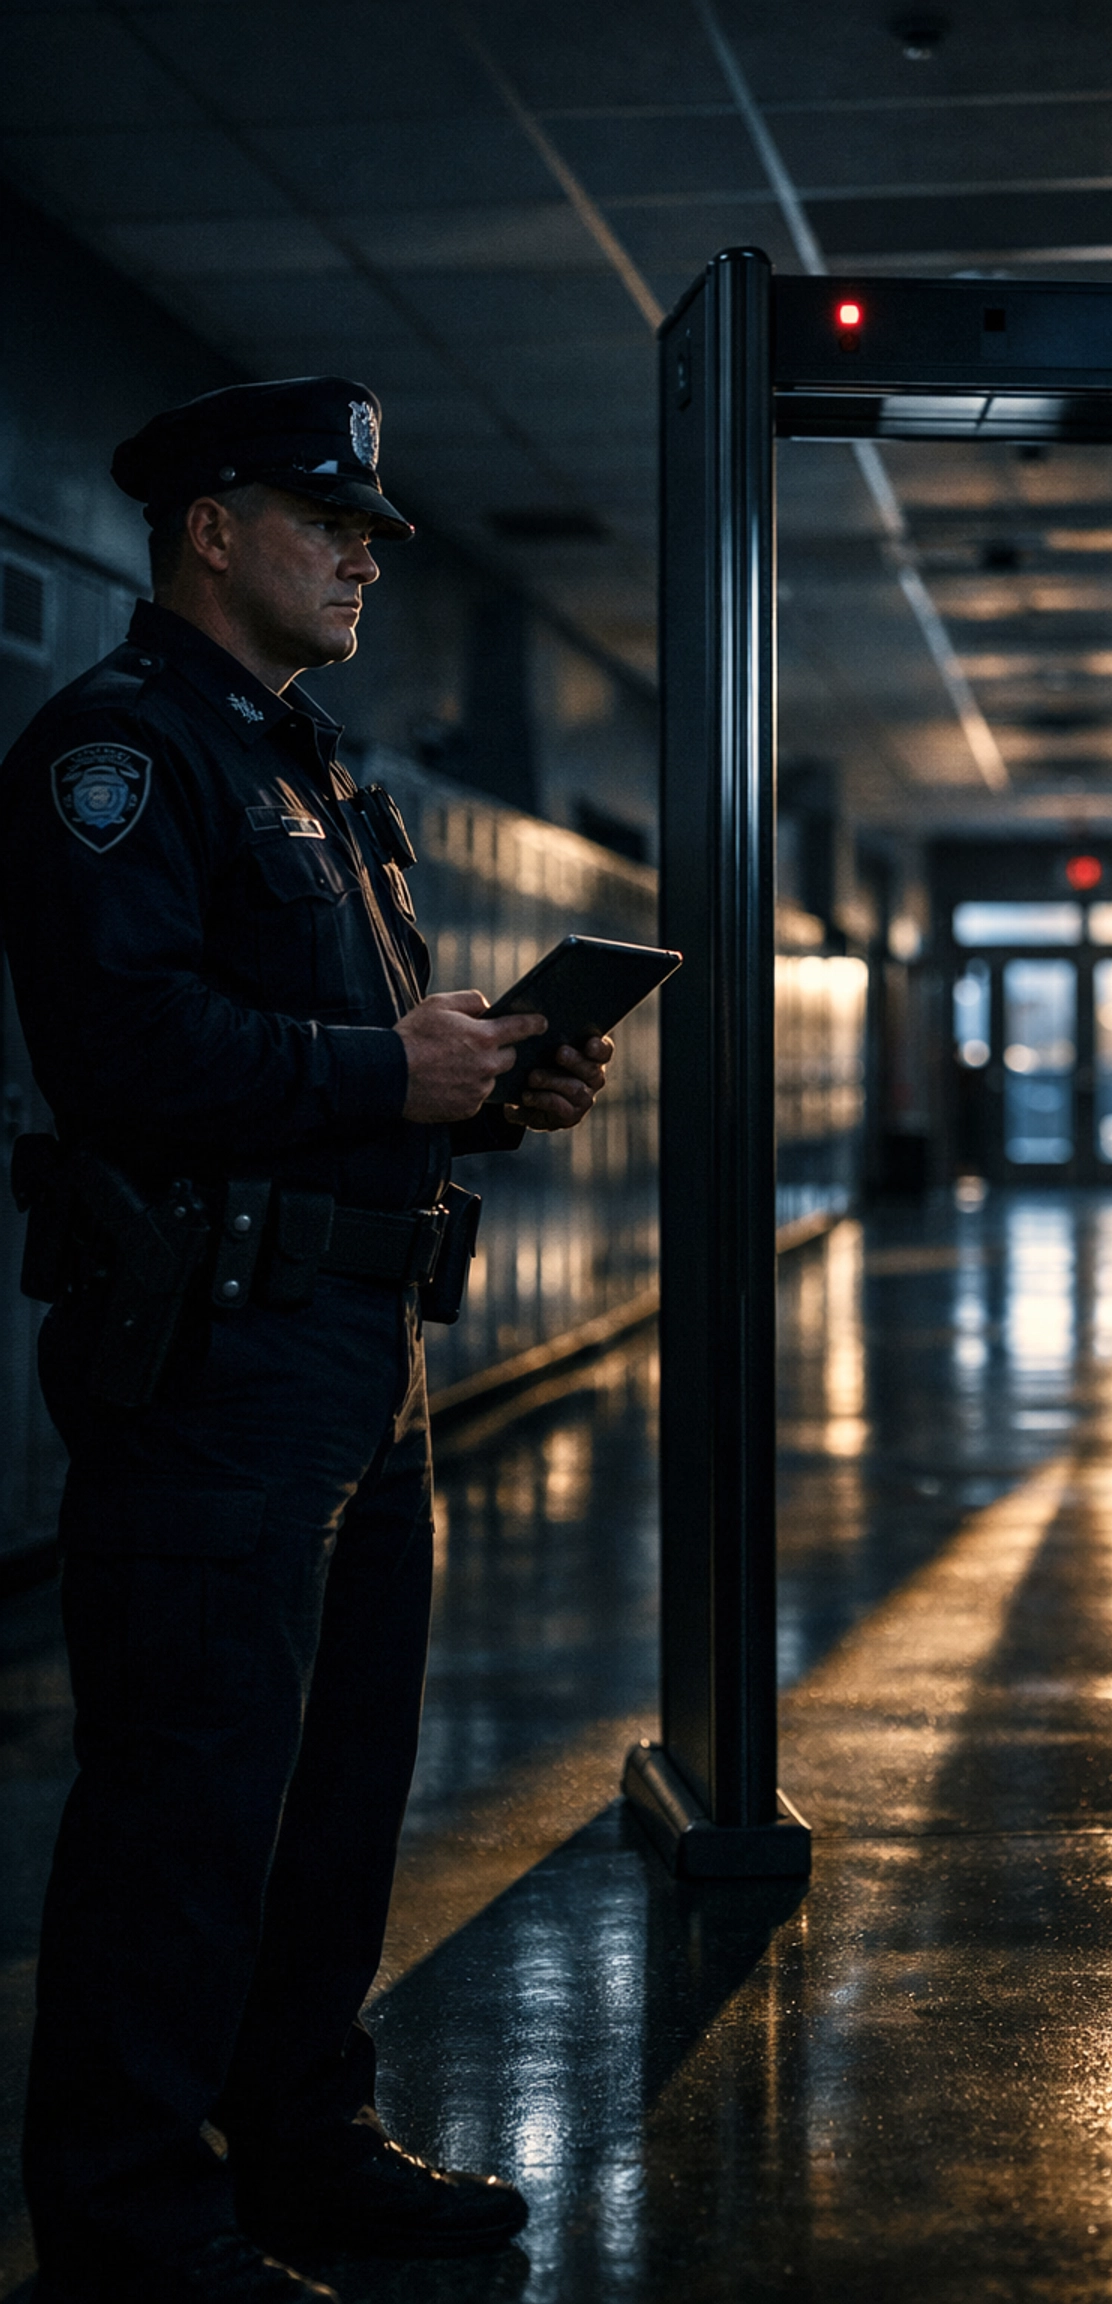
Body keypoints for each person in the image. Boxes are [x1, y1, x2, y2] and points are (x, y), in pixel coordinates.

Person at [0, 378, 614, 2303]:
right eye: (324, 519)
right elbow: (125, 1049)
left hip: (362, 1348)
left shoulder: (321, 773)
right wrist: (386, 1064)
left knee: (338, 1790)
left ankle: (303, 2144)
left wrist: (487, 1083)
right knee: (187, 1808)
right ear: (208, 527)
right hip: (214, 1355)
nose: (363, 553)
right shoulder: (120, 754)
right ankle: (131, 2223)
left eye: (369, 531)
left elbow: (353, 1065)